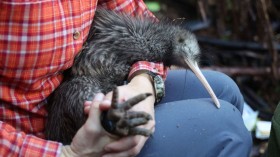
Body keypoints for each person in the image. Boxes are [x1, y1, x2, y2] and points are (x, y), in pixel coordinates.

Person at [0, 0, 252, 157]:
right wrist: (69, 154)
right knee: (227, 130)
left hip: (87, 95)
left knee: (224, 90)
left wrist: (142, 84)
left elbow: (142, 23)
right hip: (38, 137)